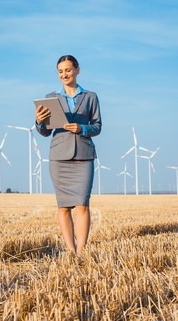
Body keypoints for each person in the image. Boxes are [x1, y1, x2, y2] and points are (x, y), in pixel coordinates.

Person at [35, 55, 102, 254]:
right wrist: (38, 122)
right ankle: (71, 250)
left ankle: (81, 250)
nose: (64, 74)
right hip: (59, 157)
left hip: (83, 155)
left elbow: (97, 126)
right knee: (63, 207)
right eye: (60, 71)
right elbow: (46, 131)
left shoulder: (90, 96)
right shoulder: (50, 98)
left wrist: (82, 128)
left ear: (77, 70)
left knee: (82, 204)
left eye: (68, 70)